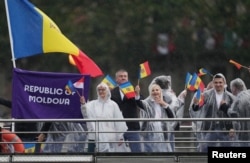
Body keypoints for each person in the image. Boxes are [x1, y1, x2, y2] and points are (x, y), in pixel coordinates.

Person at [190, 73, 235, 152]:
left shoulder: (230, 97)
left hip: (225, 129)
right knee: (205, 150)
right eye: (216, 82)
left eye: (220, 82)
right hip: (209, 129)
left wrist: (232, 127)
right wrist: (195, 103)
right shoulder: (206, 95)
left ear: (224, 83)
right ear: (213, 83)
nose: (218, 84)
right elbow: (196, 108)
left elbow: (234, 114)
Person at [80, 82, 128, 152]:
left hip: (110, 137)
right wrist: (83, 104)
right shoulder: (93, 104)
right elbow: (86, 114)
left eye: (103, 90)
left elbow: (118, 120)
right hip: (94, 136)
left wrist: (120, 136)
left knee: (108, 158)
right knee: (91, 156)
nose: (101, 91)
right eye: (99, 90)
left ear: (107, 90)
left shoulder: (113, 105)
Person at [150, 75, 187, 151]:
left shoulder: (156, 94)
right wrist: (181, 98)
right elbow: (174, 106)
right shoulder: (167, 95)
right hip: (166, 125)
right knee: (168, 146)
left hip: (163, 126)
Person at [135, 83, 175, 152]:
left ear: (160, 92)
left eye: (157, 90)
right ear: (150, 93)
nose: (155, 92)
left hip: (162, 132)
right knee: (149, 152)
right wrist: (137, 94)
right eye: (153, 90)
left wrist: (163, 104)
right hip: (149, 132)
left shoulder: (164, 103)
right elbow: (139, 103)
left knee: (163, 152)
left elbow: (171, 117)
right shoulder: (147, 103)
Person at [110, 69, 143, 152]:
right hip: (116, 128)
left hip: (132, 127)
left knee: (136, 152)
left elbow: (141, 104)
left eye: (125, 76)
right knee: (117, 154)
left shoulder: (133, 91)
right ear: (116, 79)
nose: (123, 78)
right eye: (121, 76)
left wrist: (137, 95)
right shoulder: (111, 92)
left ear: (127, 78)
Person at [227, 78, 250, 147]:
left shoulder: (238, 99)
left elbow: (233, 113)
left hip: (244, 134)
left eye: (231, 88)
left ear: (234, 88)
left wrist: (225, 107)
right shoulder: (248, 94)